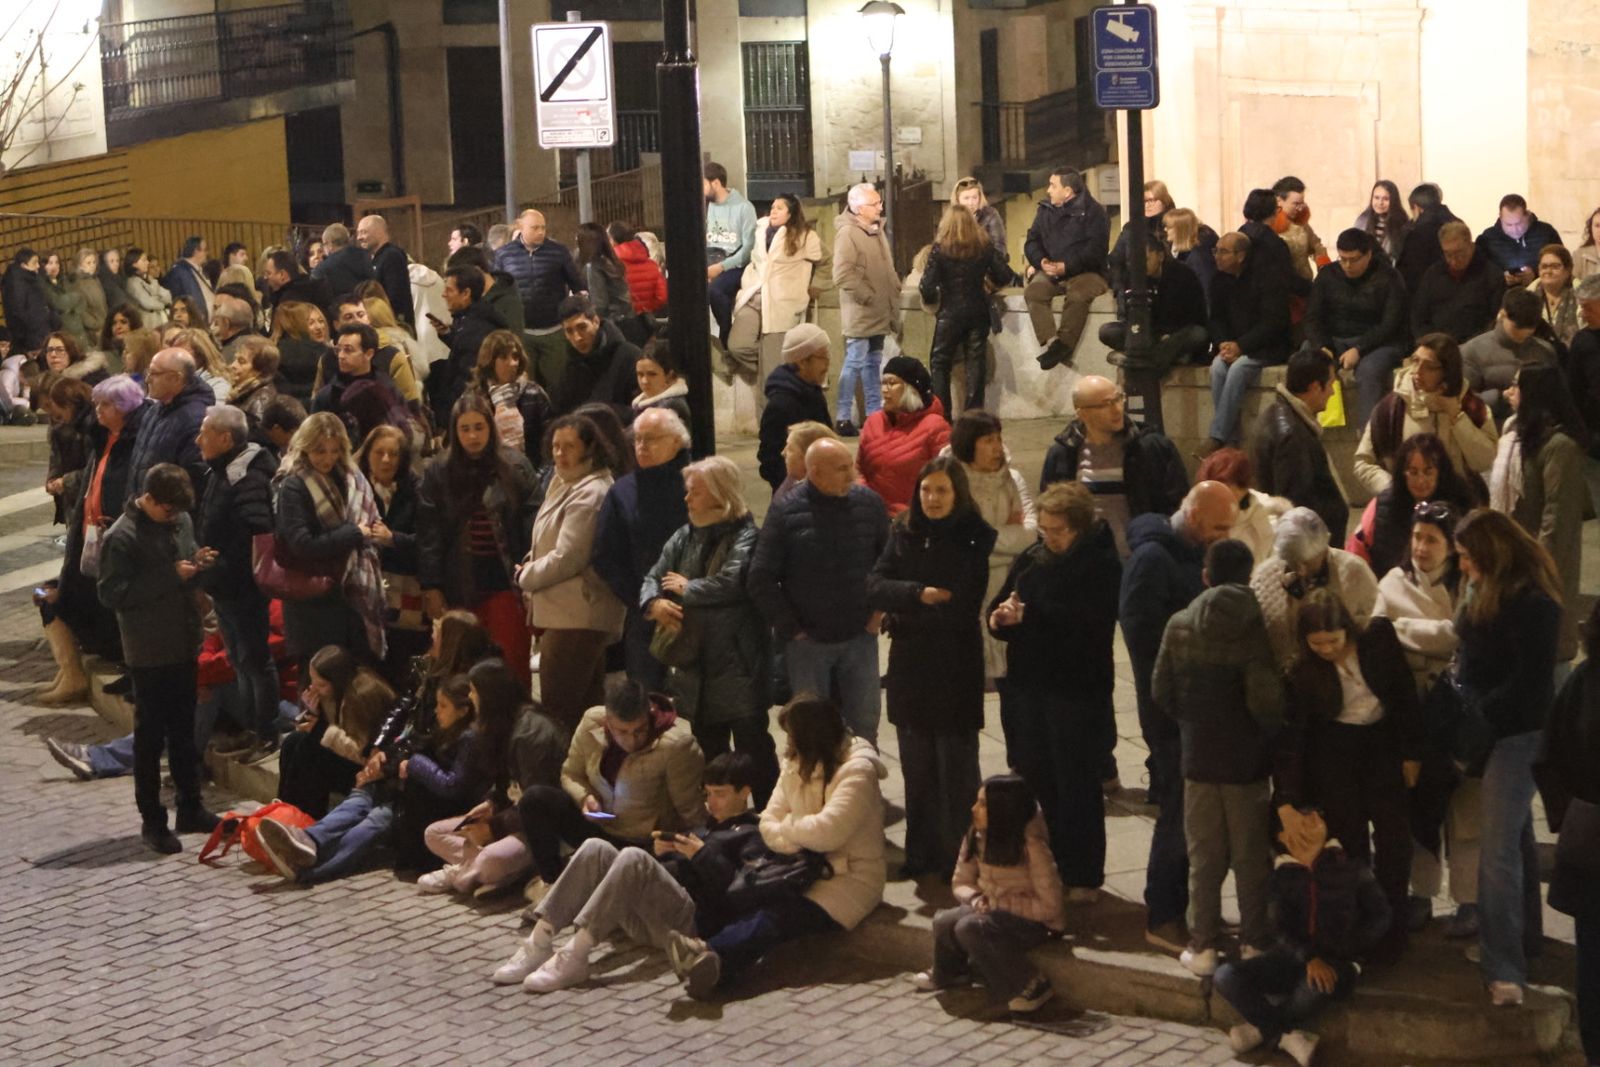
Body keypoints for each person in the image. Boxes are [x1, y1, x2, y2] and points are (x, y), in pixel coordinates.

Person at [664, 696, 888, 999]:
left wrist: (790, 826)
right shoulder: (795, 763)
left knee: (778, 916)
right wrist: (799, 831)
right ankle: (706, 953)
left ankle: (710, 956)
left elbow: (828, 833)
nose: (788, 743)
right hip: (796, 866)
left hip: (846, 877)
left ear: (811, 737)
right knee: (747, 895)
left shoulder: (856, 772)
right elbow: (768, 822)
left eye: (793, 736)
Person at [492, 750, 761, 991]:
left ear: (744, 792)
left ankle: (577, 953)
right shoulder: (707, 827)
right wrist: (663, 851)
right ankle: (540, 940)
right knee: (595, 847)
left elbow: (738, 891)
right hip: (650, 913)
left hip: (689, 924)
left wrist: (700, 855)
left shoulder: (751, 834)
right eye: (708, 794)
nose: (712, 802)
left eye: (720, 794)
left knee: (633, 857)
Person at [1153, 539, 1284, 975]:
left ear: (1206, 575)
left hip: (1198, 757)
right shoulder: (1256, 625)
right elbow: (1265, 701)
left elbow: (1161, 690)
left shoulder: (1180, 623)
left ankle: (1204, 946)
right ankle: (1255, 941)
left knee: (1204, 858)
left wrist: (1193, 722)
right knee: (1250, 857)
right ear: (1249, 576)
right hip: (1246, 762)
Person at [1121, 481, 1240, 951]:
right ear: (1193, 518)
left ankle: (1193, 909)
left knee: (1196, 815)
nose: (1224, 537)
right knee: (1177, 811)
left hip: (1197, 710)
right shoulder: (1154, 561)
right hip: (1171, 712)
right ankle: (1164, 914)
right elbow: (1144, 641)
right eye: (1219, 527)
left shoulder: (1191, 553)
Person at [1450, 509, 1562, 1005]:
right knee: (1515, 839)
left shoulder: (1535, 605)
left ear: (1491, 555)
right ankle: (1524, 941)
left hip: (1518, 736)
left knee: (1496, 851)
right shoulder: (1482, 590)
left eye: (1467, 557)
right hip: (1491, 731)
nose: (1462, 566)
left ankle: (1504, 969)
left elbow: (1530, 685)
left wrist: (1479, 713)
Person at [989, 482, 1121, 896]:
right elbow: (1004, 603)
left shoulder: (1100, 564)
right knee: (1039, 777)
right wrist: (1001, 617)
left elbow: (1087, 623)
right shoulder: (1033, 558)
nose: (1050, 538)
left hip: (1076, 689)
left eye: (1058, 531)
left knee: (1076, 783)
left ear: (1080, 528)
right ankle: (1054, 863)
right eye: (1044, 529)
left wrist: (1030, 616)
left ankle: (1083, 875)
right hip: (1030, 686)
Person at [867, 457, 995, 877]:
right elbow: (876, 585)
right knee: (917, 766)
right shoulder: (905, 530)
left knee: (956, 770)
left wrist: (902, 610)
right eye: (926, 490)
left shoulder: (973, 537)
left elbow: (961, 606)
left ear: (957, 494)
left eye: (941, 490)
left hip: (954, 666)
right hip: (911, 666)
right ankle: (920, 855)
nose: (932, 498)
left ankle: (959, 857)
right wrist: (918, 594)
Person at [1278, 588, 1421, 959]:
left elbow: (1404, 694)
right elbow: (1294, 736)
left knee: (1394, 841)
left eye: (1333, 641)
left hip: (1381, 744)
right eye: (1317, 644)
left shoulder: (1377, 639)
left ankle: (1394, 929)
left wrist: (1411, 753)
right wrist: (1288, 797)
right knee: (1350, 844)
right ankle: (1358, 929)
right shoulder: (1301, 671)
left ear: (1347, 630)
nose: (1327, 650)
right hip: (1335, 752)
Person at [257, 672, 488, 883]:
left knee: (373, 822)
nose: (437, 711)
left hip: (422, 804)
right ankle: (307, 839)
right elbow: (409, 746)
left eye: (443, 706)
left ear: (463, 711)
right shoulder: (440, 728)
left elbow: (451, 785)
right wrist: (384, 764)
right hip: (399, 788)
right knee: (358, 800)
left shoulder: (468, 739)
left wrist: (415, 764)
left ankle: (312, 869)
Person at [96, 464, 218, 853]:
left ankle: (190, 806)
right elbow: (111, 593)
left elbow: (184, 565)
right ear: (148, 499)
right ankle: (153, 820)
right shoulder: (122, 536)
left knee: (184, 731)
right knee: (150, 740)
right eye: (168, 510)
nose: (174, 517)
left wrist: (198, 563)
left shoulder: (180, 521)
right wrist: (171, 575)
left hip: (184, 641)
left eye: (179, 511)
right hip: (148, 650)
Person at [641, 456, 778, 804]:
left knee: (753, 749)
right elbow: (654, 576)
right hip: (694, 665)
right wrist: (654, 604)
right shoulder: (684, 536)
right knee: (711, 750)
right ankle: (726, 815)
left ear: (720, 494)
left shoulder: (747, 536)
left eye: (695, 492)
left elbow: (733, 582)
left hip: (737, 663)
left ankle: (769, 815)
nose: (687, 499)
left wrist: (689, 588)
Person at [1370, 502, 1478, 939]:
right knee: (1419, 810)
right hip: (1413, 719)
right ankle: (1422, 893)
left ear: (1451, 546)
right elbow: (1378, 635)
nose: (1421, 547)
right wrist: (1435, 636)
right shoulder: (1391, 583)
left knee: (1466, 816)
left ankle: (1469, 900)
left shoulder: (1467, 582)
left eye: (1432, 539)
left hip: (1459, 718)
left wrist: (1405, 631)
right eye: (1417, 537)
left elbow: (1460, 636)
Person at [1212, 808, 1392, 1067]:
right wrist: (1308, 957)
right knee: (1225, 975)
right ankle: (1286, 1036)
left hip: (1338, 961)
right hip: (1292, 958)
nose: (1312, 824)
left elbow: (1381, 915)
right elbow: (1279, 927)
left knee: (1316, 985)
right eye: (1301, 822)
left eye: (1315, 818)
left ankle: (1261, 1031)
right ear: (1284, 837)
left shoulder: (1351, 867)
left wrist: (1348, 947)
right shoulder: (1282, 876)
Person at [749, 438, 890, 745]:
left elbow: (889, 561)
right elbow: (760, 576)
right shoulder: (786, 511)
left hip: (860, 636)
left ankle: (862, 775)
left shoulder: (869, 504)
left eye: (850, 466)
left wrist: (877, 614)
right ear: (814, 471)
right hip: (808, 643)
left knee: (864, 726)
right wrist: (791, 628)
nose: (851, 476)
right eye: (841, 469)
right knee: (811, 731)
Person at [516, 678, 705, 887]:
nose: (631, 740)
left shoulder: (676, 746)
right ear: (608, 720)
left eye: (640, 730)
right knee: (535, 799)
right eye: (622, 732)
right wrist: (585, 798)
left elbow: (690, 810)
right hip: (600, 827)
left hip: (643, 844)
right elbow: (570, 773)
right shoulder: (592, 722)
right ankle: (553, 882)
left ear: (649, 713)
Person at [35, 375, 150, 705]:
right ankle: (70, 671)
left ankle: (77, 673)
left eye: (105, 405)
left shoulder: (132, 443)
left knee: (63, 597)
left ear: (124, 408)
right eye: (96, 404)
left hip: (112, 536)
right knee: (51, 595)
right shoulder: (102, 438)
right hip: (90, 535)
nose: (97, 411)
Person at [911, 775, 1066, 1013]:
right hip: (992, 907)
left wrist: (997, 904)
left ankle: (1029, 984)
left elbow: (1051, 906)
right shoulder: (976, 837)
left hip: (1035, 922)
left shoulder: (1032, 847)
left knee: (971, 927)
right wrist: (975, 898)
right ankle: (951, 973)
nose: (974, 809)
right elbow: (961, 881)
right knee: (945, 920)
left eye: (983, 804)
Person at [417, 393, 540, 686]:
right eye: (465, 429)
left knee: (511, 663)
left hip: (506, 583)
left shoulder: (515, 466)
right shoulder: (438, 472)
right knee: (461, 668)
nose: (473, 436)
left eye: (479, 427)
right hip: (458, 584)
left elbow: (533, 524)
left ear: (490, 427)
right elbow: (429, 533)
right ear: (455, 431)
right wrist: (431, 585)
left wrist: (531, 572)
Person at [422, 657, 566, 897]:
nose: (471, 697)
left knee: (490, 860)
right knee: (434, 833)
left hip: (538, 829)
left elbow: (537, 805)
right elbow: (504, 784)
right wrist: (491, 804)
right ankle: (480, 871)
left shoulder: (532, 733)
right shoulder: (501, 724)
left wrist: (494, 828)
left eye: (474, 691)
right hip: (510, 815)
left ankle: (465, 873)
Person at [518, 413, 626, 730]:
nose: (560, 453)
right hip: (566, 613)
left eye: (569, 446)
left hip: (577, 616)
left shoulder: (591, 492)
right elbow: (548, 539)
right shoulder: (565, 482)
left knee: (559, 712)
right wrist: (531, 561)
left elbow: (569, 556)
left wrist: (525, 577)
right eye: (556, 446)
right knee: (585, 713)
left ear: (590, 448)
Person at [946, 411, 1036, 757]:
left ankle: (1021, 762)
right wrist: (1002, 536)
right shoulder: (948, 482)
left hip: (1006, 589)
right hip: (965, 593)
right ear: (969, 444)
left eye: (999, 438)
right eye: (988, 441)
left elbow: (1030, 534)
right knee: (962, 689)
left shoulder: (1013, 479)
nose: (997, 447)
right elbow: (955, 540)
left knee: (1015, 689)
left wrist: (983, 541)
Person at [192, 404, 279, 759]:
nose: (198, 440)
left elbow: (256, 535)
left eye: (204, 434)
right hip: (224, 585)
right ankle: (250, 728)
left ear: (225, 439)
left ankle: (267, 734)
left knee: (256, 662)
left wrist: (220, 562)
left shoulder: (247, 478)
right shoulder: (221, 471)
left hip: (243, 589)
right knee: (240, 661)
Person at [1535, 600, 1600, 1064]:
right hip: (1592, 838)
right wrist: (1573, 812)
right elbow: (1550, 756)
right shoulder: (1585, 681)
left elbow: (1549, 757)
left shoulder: (1585, 681)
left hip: (1589, 834)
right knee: (1593, 959)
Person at [1491, 363, 1589, 668]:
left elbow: (1556, 521)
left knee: (1545, 654)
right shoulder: (1515, 437)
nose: (1508, 392)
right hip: (1512, 560)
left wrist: (1535, 572)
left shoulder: (1560, 447)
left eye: (1516, 386)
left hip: (1541, 570)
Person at [272, 412, 388, 669]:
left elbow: (370, 520)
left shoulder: (350, 477)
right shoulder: (293, 486)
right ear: (305, 447)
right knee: (317, 679)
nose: (327, 458)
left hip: (349, 598)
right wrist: (353, 533)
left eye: (334, 451)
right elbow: (302, 545)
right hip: (312, 605)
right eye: (320, 451)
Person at [593, 407, 691, 688]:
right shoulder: (622, 491)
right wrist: (648, 602)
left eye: (651, 439)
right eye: (637, 439)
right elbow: (605, 556)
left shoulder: (700, 482)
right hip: (645, 614)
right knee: (647, 698)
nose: (642, 446)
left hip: (700, 610)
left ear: (677, 441)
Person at [1040, 373, 1188, 557]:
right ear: (1082, 413)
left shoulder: (1151, 447)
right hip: (1085, 559)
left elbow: (1177, 504)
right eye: (1105, 404)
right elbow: (1049, 511)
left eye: (1118, 399)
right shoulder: (1063, 453)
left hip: (1139, 554)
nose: (1117, 409)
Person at [1353, 333, 1498, 497]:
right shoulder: (1391, 408)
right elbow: (1363, 463)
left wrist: (1457, 418)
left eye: (1429, 366)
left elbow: (1485, 461)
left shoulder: (1472, 406)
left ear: (1447, 372)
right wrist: (1395, 489)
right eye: (1415, 361)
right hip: (1408, 505)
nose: (1417, 371)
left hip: (1458, 503)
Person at [275, 644, 395, 819]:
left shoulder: (361, 695)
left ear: (337, 680)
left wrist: (321, 729)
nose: (314, 688)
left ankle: (305, 817)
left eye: (321, 684)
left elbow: (363, 752)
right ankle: (284, 808)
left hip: (371, 767)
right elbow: (330, 726)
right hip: (345, 755)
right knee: (292, 741)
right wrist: (314, 713)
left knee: (309, 750)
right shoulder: (333, 692)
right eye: (312, 681)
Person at [1251, 507, 1380, 669]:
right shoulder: (1263, 577)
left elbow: (1373, 626)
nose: (1302, 571)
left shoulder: (1355, 572)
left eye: (1308, 562)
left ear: (1324, 547)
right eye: (1293, 562)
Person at [1201, 230, 1295, 452]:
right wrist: (1223, 342)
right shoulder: (1219, 279)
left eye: (1223, 252)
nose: (1217, 257)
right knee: (1217, 368)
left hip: (1266, 347)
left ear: (1241, 255)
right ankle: (1231, 442)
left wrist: (1241, 346)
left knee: (1239, 369)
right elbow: (1216, 318)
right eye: (1216, 251)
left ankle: (1218, 437)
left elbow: (1273, 322)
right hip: (1233, 345)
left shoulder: (1266, 278)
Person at [1304, 228, 1407, 430]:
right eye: (1342, 259)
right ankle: (1309, 427)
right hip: (1335, 339)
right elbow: (1312, 317)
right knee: (1307, 359)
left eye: (1353, 260)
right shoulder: (1328, 275)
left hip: (1378, 342)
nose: (1347, 266)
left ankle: (1368, 435)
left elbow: (1391, 323)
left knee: (1369, 371)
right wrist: (1322, 346)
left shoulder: (1388, 277)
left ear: (1368, 255)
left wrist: (1359, 349)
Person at [920, 204, 1016, 417]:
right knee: (976, 362)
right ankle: (974, 415)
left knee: (940, 363)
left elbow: (926, 286)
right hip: (978, 311)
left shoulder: (940, 249)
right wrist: (988, 285)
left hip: (949, 313)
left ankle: (943, 416)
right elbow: (1005, 274)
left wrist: (934, 301)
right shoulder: (983, 247)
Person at [727, 193, 823, 406]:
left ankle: (771, 418)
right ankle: (785, 369)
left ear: (791, 213)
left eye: (780, 208)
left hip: (782, 302)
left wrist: (813, 286)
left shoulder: (806, 236)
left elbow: (824, 261)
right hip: (754, 295)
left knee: (771, 371)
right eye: (772, 207)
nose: (773, 211)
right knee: (738, 345)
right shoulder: (760, 229)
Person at [1347, 434, 1477, 579]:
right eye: (1413, 472)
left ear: (1441, 472)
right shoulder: (1381, 507)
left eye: (1428, 472)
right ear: (1403, 473)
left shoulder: (1462, 505)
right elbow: (1356, 554)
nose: (1421, 480)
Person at [1254, 347, 1348, 544]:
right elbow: (1295, 506)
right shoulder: (1292, 436)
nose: (1332, 392)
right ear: (1315, 387)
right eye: (1330, 384)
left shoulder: (1281, 415)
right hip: (1311, 545)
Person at [356, 424, 429, 673]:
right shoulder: (355, 489)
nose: (386, 460)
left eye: (393, 454)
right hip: (365, 593)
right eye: (379, 453)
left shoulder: (417, 489)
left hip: (405, 593)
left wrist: (393, 539)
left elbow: (428, 540)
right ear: (367, 454)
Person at [1024, 166, 1111, 370]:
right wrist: (1041, 261)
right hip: (1052, 270)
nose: (1048, 190)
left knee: (1078, 296)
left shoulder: (1095, 212)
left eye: (1053, 185)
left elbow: (1096, 250)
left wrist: (1067, 266)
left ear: (1068, 191)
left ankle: (1064, 344)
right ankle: (1052, 342)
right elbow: (1032, 241)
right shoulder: (1045, 210)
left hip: (1086, 272)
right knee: (1034, 292)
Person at [833, 182, 900, 434]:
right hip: (862, 311)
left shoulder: (875, 230)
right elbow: (842, 274)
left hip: (878, 310)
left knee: (873, 363)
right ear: (859, 209)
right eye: (875, 203)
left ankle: (873, 414)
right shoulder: (848, 234)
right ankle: (842, 416)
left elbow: (886, 267)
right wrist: (868, 296)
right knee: (854, 362)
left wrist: (893, 289)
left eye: (879, 202)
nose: (880, 207)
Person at [496, 210, 585, 390]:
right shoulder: (504, 254)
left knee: (559, 385)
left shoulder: (558, 252)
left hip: (553, 330)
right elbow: (497, 290)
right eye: (535, 228)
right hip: (521, 332)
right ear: (521, 227)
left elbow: (578, 286)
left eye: (543, 228)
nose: (540, 232)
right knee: (523, 386)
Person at [857, 356, 950, 517]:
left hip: (914, 518)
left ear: (911, 388)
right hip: (872, 514)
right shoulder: (873, 422)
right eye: (883, 383)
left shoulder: (936, 427)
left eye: (892, 383)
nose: (885, 389)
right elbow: (859, 470)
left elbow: (945, 479)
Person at [756, 323, 832, 491]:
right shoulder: (780, 405)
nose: (827, 364)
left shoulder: (814, 394)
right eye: (823, 357)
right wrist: (795, 484)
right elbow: (769, 459)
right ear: (802, 362)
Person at [128, 348, 212, 499]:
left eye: (154, 373)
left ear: (176, 378)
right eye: (148, 372)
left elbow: (193, 480)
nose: (147, 380)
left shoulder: (195, 419)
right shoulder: (154, 410)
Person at [312, 322, 411, 447]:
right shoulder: (329, 394)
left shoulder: (386, 388)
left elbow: (404, 431)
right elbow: (314, 437)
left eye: (348, 350)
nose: (341, 356)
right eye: (338, 350)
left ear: (369, 354)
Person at [1463, 289, 1559, 417]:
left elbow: (1556, 396)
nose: (1522, 334)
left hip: (1535, 423)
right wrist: (1500, 397)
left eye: (1529, 330)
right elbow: (1464, 401)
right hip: (1493, 423)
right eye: (1517, 328)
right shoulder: (1473, 350)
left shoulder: (1545, 351)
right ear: (1502, 315)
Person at [1412, 221, 1508, 345]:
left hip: (1476, 346)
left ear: (1471, 246)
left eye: (1459, 253)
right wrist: (1430, 343)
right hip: (1437, 345)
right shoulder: (1433, 274)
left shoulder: (1491, 275)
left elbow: (1496, 320)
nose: (1454, 260)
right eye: (1448, 254)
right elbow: (1419, 315)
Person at [549, 294, 642, 421]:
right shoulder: (567, 363)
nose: (577, 338)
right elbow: (558, 411)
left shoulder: (629, 356)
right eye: (569, 331)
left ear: (596, 322)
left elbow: (640, 410)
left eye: (582, 327)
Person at [432, 264, 507, 417]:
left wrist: (450, 412)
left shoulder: (476, 328)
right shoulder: (469, 317)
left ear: (466, 293)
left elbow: (467, 377)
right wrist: (448, 334)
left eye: (449, 290)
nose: (444, 295)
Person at [471, 327, 550, 471]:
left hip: (531, 473)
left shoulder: (534, 393)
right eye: (504, 357)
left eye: (515, 357)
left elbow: (549, 442)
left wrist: (538, 477)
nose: (513, 363)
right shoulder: (475, 400)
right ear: (490, 361)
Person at [1195, 448, 1288, 564]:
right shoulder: (1197, 513)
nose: (1216, 495)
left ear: (1243, 487)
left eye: (1224, 487)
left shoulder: (1267, 516)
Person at [704, 162, 759, 347]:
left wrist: (721, 267)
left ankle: (726, 335)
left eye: (704, 184)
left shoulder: (744, 208)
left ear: (716, 183)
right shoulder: (708, 206)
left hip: (735, 263)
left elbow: (748, 249)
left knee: (716, 290)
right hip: (711, 259)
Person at [1477, 194, 1561, 288]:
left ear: (1527, 215)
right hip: (1501, 293)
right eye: (1509, 225)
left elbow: (1561, 266)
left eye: (1519, 223)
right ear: (1500, 218)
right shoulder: (1487, 239)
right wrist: (1500, 278)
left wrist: (1536, 274)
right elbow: (1479, 273)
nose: (1515, 229)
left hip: (1540, 291)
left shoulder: (1546, 233)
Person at [1395, 183, 1459, 296]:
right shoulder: (1458, 225)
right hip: (1457, 292)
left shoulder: (1416, 234)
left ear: (1417, 208)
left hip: (1426, 295)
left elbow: (1407, 274)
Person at [353, 214, 413, 325]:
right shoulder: (377, 258)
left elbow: (395, 295)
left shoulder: (391, 256)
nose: (359, 238)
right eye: (358, 233)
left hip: (394, 324)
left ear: (379, 232)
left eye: (364, 232)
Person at [1271, 177, 1330, 287]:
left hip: (1305, 285)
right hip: (1281, 286)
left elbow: (1317, 246)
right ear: (1279, 201)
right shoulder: (1269, 224)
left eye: (1302, 204)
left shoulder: (1302, 224)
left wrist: (1323, 267)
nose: (1300, 208)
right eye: (1295, 204)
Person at [270, 300, 333, 403]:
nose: (319, 327)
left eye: (321, 321)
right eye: (311, 323)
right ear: (297, 325)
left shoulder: (273, 350)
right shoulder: (321, 353)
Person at [574, 221, 634, 327]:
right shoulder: (610, 261)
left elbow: (599, 305)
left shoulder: (594, 266)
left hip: (611, 323)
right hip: (626, 319)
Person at [3, 248, 61, 357]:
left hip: (43, 332)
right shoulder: (16, 284)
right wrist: (34, 328)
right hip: (33, 338)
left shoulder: (33, 278)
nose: (38, 266)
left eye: (38, 262)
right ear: (23, 265)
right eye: (34, 263)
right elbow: (18, 313)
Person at [608, 221, 668, 317]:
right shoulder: (652, 265)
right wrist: (646, 309)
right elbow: (662, 297)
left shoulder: (610, 265)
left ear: (613, 241)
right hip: (645, 321)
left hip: (621, 320)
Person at [1164, 207, 1220, 306]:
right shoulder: (1181, 250)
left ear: (1180, 230)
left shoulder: (1199, 255)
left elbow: (1206, 289)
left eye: (1169, 227)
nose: (1165, 229)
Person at [773, 419, 837, 504]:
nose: (783, 453)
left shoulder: (818, 502)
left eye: (790, 449)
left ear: (809, 456)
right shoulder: (790, 484)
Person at [630, 336, 690, 425]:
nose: (644, 381)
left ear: (669, 375)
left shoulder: (671, 407)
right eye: (640, 374)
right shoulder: (640, 404)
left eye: (652, 374)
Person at [1529, 244, 1580, 348]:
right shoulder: (1529, 295)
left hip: (1574, 354)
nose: (1548, 271)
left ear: (1568, 270)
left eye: (1555, 267)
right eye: (1544, 267)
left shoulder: (1580, 295)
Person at [311, 223, 375, 298]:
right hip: (371, 301)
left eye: (324, 245)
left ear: (329, 244)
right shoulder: (366, 255)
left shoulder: (323, 269)